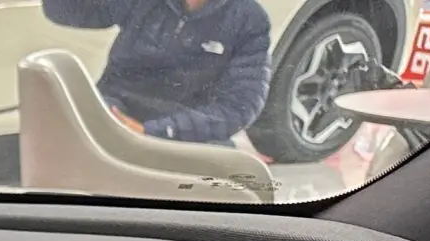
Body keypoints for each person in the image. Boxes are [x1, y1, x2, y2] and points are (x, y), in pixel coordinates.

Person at [44, 0, 272, 145]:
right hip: (117, 108)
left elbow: (239, 107)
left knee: (228, 177)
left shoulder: (249, 20)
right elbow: (68, 10)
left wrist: (155, 131)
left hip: (188, 130)